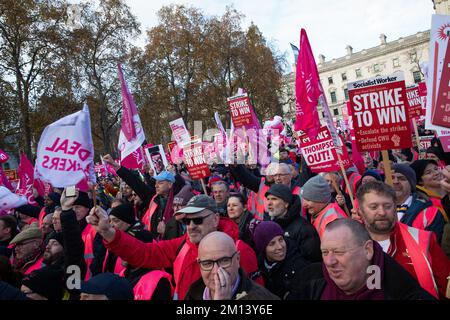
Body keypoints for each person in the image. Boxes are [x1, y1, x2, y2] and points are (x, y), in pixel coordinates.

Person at [87, 194, 260, 300]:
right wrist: (108, 232)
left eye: (197, 220)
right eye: (186, 221)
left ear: (215, 219)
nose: (190, 226)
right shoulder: (183, 245)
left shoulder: (239, 250)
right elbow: (144, 253)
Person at [292, 219, 435, 300]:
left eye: (339, 252)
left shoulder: (402, 293)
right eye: (324, 252)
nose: (329, 261)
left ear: (368, 250)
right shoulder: (310, 282)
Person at [356, 180, 449, 299]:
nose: (382, 212)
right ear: (360, 211)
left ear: (395, 208)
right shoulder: (350, 245)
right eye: (374, 207)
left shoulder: (423, 239)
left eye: (387, 206)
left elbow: (446, 286)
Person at [184, 231, 279, 300]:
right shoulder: (193, 292)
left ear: (237, 259)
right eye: (207, 263)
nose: (216, 271)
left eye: (224, 261)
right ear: (199, 264)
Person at [252, 221, 310, 299]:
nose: (279, 247)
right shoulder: (258, 266)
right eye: (272, 244)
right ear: (263, 249)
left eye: (281, 240)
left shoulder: (298, 266)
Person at [265, 184, 321, 262]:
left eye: (274, 199)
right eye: (268, 199)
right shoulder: (271, 224)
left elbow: (312, 261)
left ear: (286, 204)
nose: (269, 203)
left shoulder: (304, 229)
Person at [392, 163, 445, 242]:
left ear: (411, 184)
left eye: (402, 178)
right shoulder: (375, 210)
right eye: (391, 178)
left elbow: (431, 246)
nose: (395, 181)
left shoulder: (429, 212)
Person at [60, 188, 96, 279]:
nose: (74, 210)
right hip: (74, 274)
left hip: (88, 278)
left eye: (78, 207)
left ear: (87, 208)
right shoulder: (71, 226)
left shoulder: (94, 229)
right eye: (72, 207)